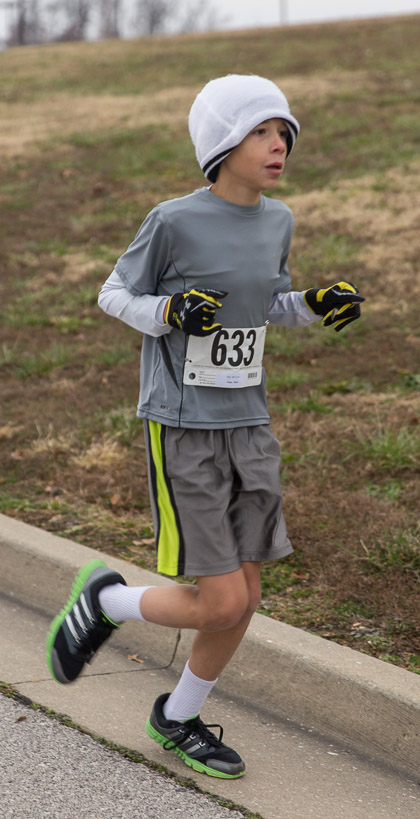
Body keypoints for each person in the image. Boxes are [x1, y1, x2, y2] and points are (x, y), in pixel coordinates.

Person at [46, 74, 364, 779]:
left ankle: (179, 715)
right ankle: (107, 600)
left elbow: (263, 304)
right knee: (221, 600)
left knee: (245, 598)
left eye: (284, 133)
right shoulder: (173, 221)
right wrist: (169, 312)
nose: (279, 144)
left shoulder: (278, 220)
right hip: (184, 425)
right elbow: (113, 293)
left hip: (250, 423)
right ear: (222, 143)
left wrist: (311, 303)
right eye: (261, 131)